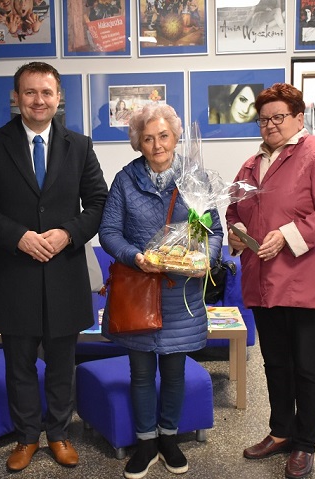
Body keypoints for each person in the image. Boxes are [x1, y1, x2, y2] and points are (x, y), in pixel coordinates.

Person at [0, 62, 108, 472]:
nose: (38, 100)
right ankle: (27, 437)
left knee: (63, 362)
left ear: (58, 97)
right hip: (15, 273)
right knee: (19, 364)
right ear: (16, 98)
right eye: (30, 92)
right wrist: (18, 237)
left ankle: (59, 434)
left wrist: (68, 234)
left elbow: (98, 202)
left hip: (65, 271)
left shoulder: (80, 146)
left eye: (46, 92)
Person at [226, 83, 315, 479]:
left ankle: (305, 443)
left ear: (299, 117)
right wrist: (235, 232)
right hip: (263, 281)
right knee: (276, 363)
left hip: (304, 281)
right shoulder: (251, 164)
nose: (271, 125)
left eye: (278, 117)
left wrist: (287, 234)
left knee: (307, 367)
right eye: (264, 119)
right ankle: (280, 432)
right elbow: (234, 210)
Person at [98, 104, 223, 479]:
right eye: (148, 138)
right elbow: (109, 232)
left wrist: (205, 258)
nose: (157, 145)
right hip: (139, 291)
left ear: (176, 136)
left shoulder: (195, 179)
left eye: (163, 136)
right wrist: (135, 257)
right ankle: (145, 442)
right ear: (138, 143)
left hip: (180, 294)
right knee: (139, 374)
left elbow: (213, 231)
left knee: (174, 373)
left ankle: (169, 437)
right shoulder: (125, 180)